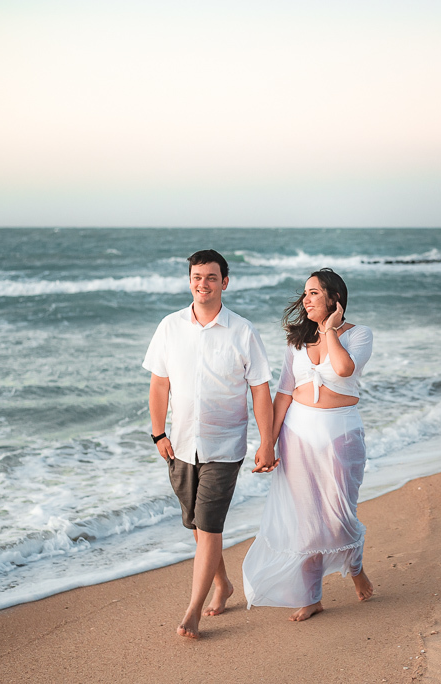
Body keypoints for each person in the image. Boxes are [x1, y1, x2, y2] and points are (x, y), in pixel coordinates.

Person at [142, 249, 275, 639]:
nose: (203, 284)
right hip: (180, 444)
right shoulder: (170, 326)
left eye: (211, 277)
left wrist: (266, 442)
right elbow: (159, 384)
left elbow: (260, 391)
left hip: (224, 446)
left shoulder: (243, 331)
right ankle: (223, 584)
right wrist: (158, 432)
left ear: (225, 282)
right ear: (190, 281)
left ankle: (192, 610)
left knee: (210, 525)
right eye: (197, 277)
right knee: (197, 526)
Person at [242, 268, 374, 621]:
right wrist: (267, 442)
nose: (306, 299)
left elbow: (345, 369)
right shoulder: (296, 341)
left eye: (314, 293)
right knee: (307, 522)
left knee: (338, 517)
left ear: (335, 299)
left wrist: (329, 330)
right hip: (296, 435)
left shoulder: (359, 335)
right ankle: (312, 596)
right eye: (305, 293)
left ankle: (355, 567)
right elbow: (284, 393)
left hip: (340, 434)